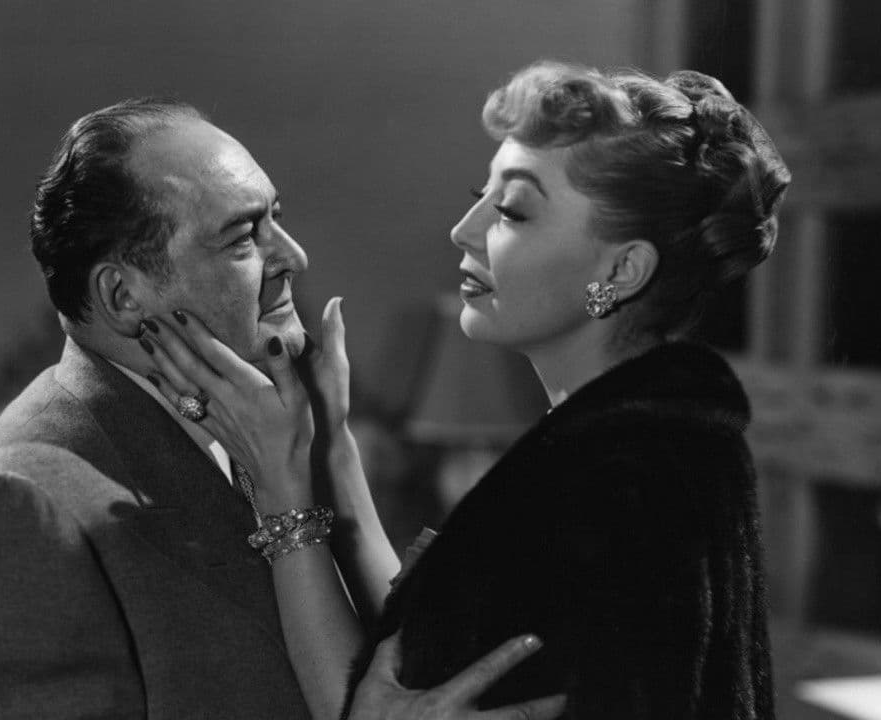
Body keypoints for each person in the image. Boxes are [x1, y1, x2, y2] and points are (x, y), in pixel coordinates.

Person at [139, 61, 790, 719]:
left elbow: (365, 710)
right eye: (483, 195)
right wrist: (330, 442)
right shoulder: (636, 441)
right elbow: (417, 654)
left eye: (510, 210)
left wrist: (282, 487)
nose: (465, 229)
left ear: (622, 270)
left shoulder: (621, 477)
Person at [0, 98, 565, 720]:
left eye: (275, 218)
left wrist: (329, 451)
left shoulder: (266, 436)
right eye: (243, 238)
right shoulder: (15, 501)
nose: (294, 257)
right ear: (124, 296)